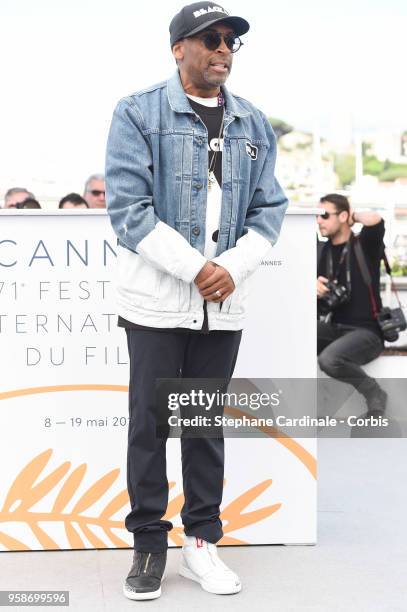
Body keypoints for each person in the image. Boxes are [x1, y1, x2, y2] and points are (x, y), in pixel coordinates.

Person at [105, 1, 288, 601]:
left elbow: (269, 210)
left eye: (232, 41)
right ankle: (149, 546)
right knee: (151, 427)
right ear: (178, 47)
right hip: (156, 303)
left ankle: (202, 544)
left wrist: (229, 269)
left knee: (205, 427)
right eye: (210, 39)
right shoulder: (137, 112)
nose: (224, 51)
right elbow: (128, 210)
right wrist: (197, 269)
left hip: (222, 304)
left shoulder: (254, 123)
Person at [317, 193, 387, 416]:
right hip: (336, 329)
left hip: (367, 332)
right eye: (318, 216)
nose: (319, 220)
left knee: (329, 360)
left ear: (343, 215)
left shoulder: (364, 245)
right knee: (293, 334)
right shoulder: (322, 251)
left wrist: (353, 216)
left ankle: (374, 392)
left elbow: (375, 219)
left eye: (325, 215)